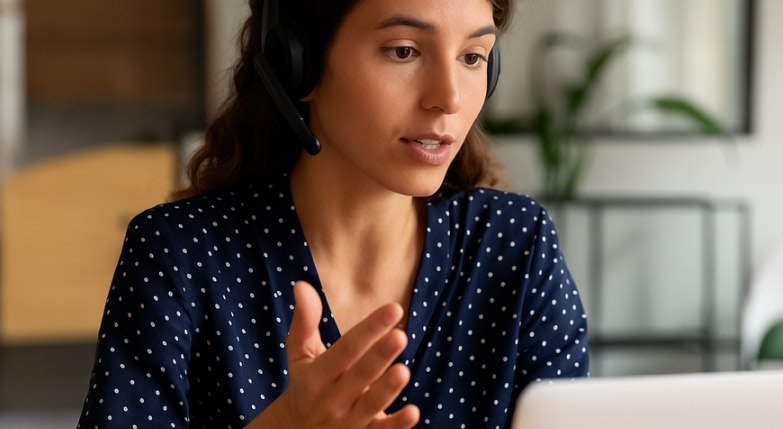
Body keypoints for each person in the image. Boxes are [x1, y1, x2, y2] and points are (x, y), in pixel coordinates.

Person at [77, 0, 589, 427]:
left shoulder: (517, 243)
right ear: (297, 64)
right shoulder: (179, 251)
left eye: (473, 58)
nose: (449, 98)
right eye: (404, 51)